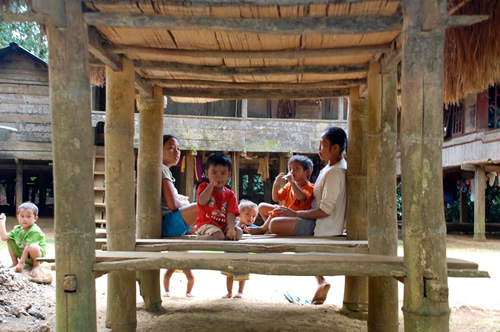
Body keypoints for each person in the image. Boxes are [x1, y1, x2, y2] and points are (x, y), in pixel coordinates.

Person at [268, 127, 347, 305]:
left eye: (323, 144)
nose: (319, 147)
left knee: (275, 225)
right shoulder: (331, 167)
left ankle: (320, 280)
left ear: (335, 148)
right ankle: (321, 281)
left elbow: (325, 210)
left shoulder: (335, 172)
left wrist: (295, 213)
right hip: (317, 221)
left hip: (322, 225)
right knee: (275, 218)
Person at [160, 135, 198, 297]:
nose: (176, 152)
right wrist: (183, 203)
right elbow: (173, 205)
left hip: (167, 222)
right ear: (158, 150)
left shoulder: (163, 170)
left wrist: (180, 199)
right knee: (200, 206)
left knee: (194, 208)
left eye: (178, 148)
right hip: (165, 225)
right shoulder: (161, 169)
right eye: (170, 147)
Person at [249, 155, 314, 235]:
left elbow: (301, 197)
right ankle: (268, 228)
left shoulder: (309, 187)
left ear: (307, 172)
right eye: (290, 169)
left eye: (296, 168)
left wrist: (292, 182)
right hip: (285, 213)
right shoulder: (289, 185)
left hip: (297, 216)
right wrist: (275, 184)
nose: (292, 171)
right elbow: (276, 198)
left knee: (278, 209)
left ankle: (263, 229)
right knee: (262, 207)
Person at [196, 153, 242, 241]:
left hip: (223, 226)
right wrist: (211, 185)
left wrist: (231, 229)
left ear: (229, 174)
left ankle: (224, 237)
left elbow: (231, 213)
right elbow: (202, 201)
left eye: (223, 173)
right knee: (219, 236)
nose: (218, 176)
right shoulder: (203, 187)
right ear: (206, 173)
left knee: (239, 232)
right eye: (214, 172)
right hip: (206, 224)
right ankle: (199, 238)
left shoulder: (230, 194)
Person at [222, 200, 258, 299]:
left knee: (242, 274)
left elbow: (262, 233)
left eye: (253, 216)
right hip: (230, 253)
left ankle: (240, 291)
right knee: (229, 274)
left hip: (243, 255)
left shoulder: (253, 228)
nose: (251, 218)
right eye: (247, 214)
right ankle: (229, 292)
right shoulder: (232, 225)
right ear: (239, 214)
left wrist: (252, 232)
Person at [0, 202, 47, 278]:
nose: (25, 219)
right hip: (23, 254)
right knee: (10, 240)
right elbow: (4, 237)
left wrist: (21, 263)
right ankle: (15, 262)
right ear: (17, 217)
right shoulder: (17, 229)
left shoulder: (35, 230)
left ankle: (36, 266)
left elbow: (28, 247)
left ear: (35, 218)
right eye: (22, 216)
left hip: (36, 257)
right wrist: (2, 222)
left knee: (33, 246)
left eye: (28, 217)